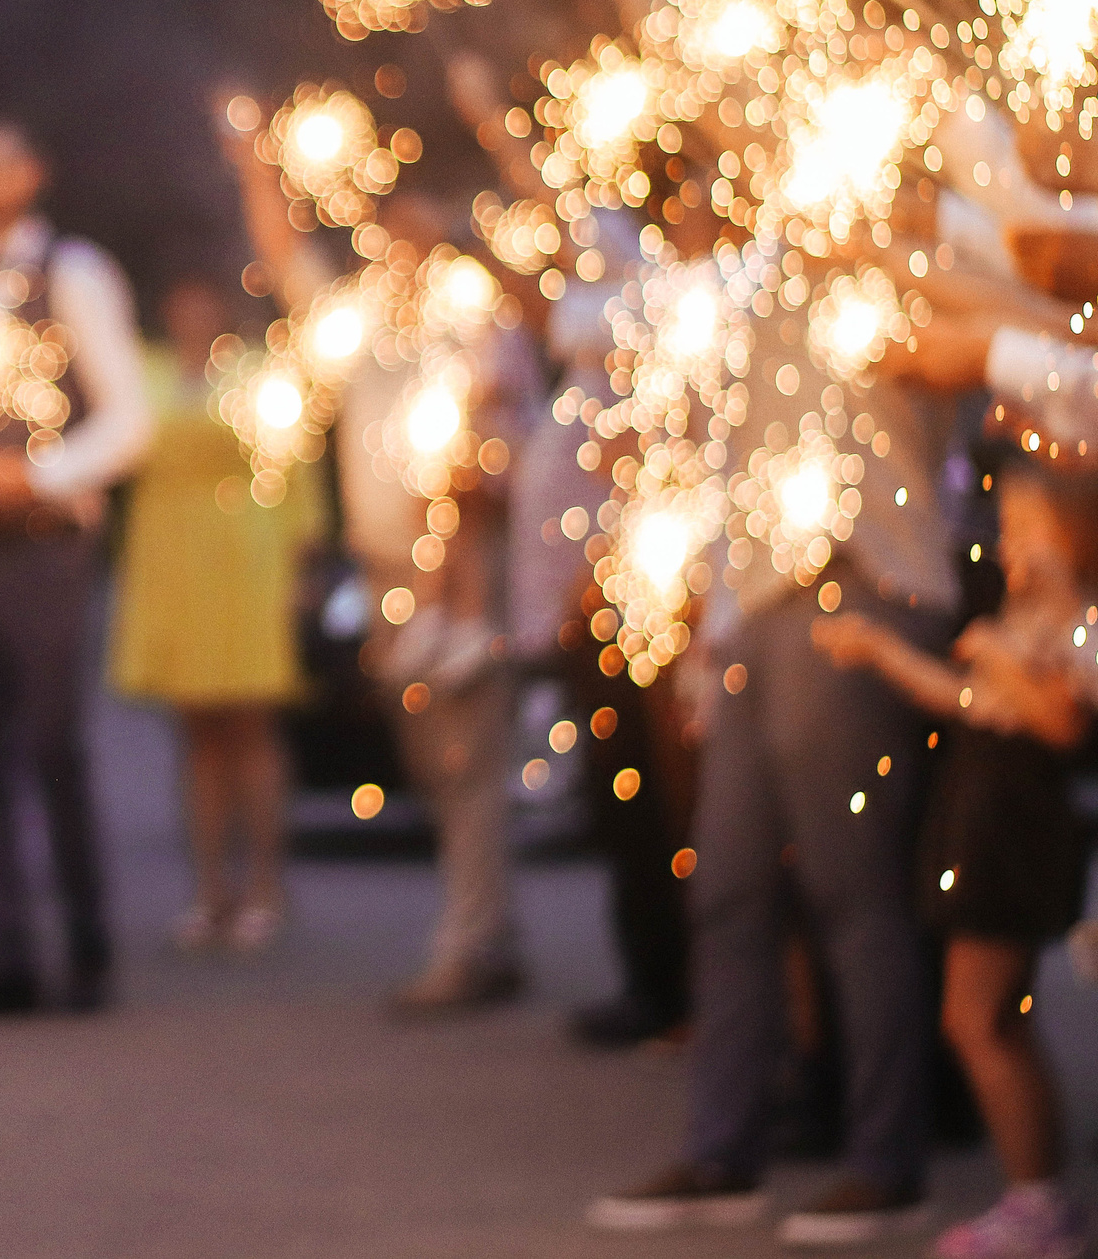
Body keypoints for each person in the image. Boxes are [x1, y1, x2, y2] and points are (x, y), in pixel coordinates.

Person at [589, 254, 962, 1245]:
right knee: (726, 891)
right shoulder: (742, 289)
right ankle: (723, 1153)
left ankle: (887, 1162)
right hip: (753, 610)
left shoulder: (904, 260)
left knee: (852, 893)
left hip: (855, 590)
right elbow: (731, 472)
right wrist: (709, 637)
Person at [226, 117, 533, 1014]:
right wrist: (255, 168)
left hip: (462, 564)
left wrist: (474, 498)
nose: (405, 236)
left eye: (420, 220)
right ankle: (491, 931)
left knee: (467, 756)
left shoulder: (476, 314)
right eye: (392, 220)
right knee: (432, 761)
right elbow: (287, 263)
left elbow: (503, 438)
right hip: (386, 566)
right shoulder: (358, 315)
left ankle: (469, 946)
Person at [811, 464, 1095, 1259]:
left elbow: (1061, 720)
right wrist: (880, 652)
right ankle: (1036, 1192)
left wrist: (1004, 655)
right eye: (1006, 531)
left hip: (1018, 833)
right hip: (984, 827)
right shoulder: (1030, 615)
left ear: (1075, 538)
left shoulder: (1075, 623)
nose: (1008, 548)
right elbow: (963, 697)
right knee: (989, 1017)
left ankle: (1040, 1199)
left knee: (979, 1019)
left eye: (1025, 532)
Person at [0, 120, 152, 1019]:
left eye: (4, 162)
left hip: (46, 542)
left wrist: (34, 474)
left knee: (53, 747)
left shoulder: (75, 274)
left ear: (35, 174)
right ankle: (3, 950)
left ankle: (87, 950)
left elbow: (130, 418)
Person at [110, 276, 322, 951]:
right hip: (170, 553)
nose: (193, 311)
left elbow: (295, 469)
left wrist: (300, 557)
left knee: (250, 722)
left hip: (245, 549)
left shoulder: (258, 373)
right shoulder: (140, 372)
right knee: (196, 726)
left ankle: (264, 881)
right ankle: (209, 887)